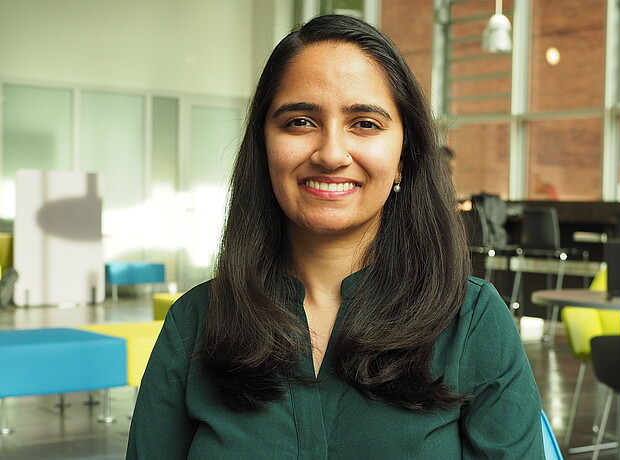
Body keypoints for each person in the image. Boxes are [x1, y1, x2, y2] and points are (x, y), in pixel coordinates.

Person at [127, 14, 544, 459]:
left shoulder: (472, 321)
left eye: (364, 123)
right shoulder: (194, 322)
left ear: (404, 155)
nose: (330, 154)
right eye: (300, 122)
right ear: (264, 145)